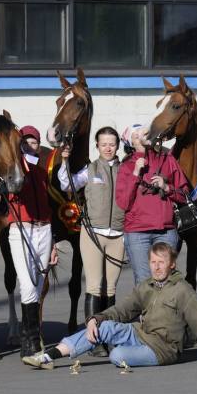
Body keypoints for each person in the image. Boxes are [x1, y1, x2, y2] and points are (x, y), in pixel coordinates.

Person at [22, 242, 197, 370]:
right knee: (104, 327)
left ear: (171, 264)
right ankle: (48, 356)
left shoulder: (183, 290)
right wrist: (96, 319)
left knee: (117, 356)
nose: (156, 267)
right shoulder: (146, 286)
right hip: (141, 334)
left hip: (163, 349)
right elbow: (123, 310)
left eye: (161, 262)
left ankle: (119, 352)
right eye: (153, 262)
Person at [0, 125, 58, 361]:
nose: (29, 146)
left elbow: (50, 207)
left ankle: (31, 340)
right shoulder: (13, 172)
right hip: (20, 229)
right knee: (27, 285)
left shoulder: (41, 172)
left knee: (37, 286)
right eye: (24, 143)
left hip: (44, 229)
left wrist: (54, 242)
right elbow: (3, 207)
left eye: (33, 142)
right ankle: (32, 342)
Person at [57, 126, 125, 357]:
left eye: (112, 143)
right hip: (93, 235)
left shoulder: (125, 169)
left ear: (118, 146)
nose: (108, 147)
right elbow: (67, 184)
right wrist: (64, 160)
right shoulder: (90, 169)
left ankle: (110, 337)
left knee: (111, 288)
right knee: (95, 286)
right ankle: (93, 340)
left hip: (117, 235)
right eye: (103, 143)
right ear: (97, 146)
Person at [116, 124, 189, 284]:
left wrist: (166, 187)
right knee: (144, 282)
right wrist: (135, 173)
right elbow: (123, 203)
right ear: (131, 144)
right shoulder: (126, 166)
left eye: (144, 133)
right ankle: (147, 310)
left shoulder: (167, 160)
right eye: (135, 136)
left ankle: (165, 310)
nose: (141, 137)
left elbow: (184, 196)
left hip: (166, 232)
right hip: (137, 233)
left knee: (166, 280)